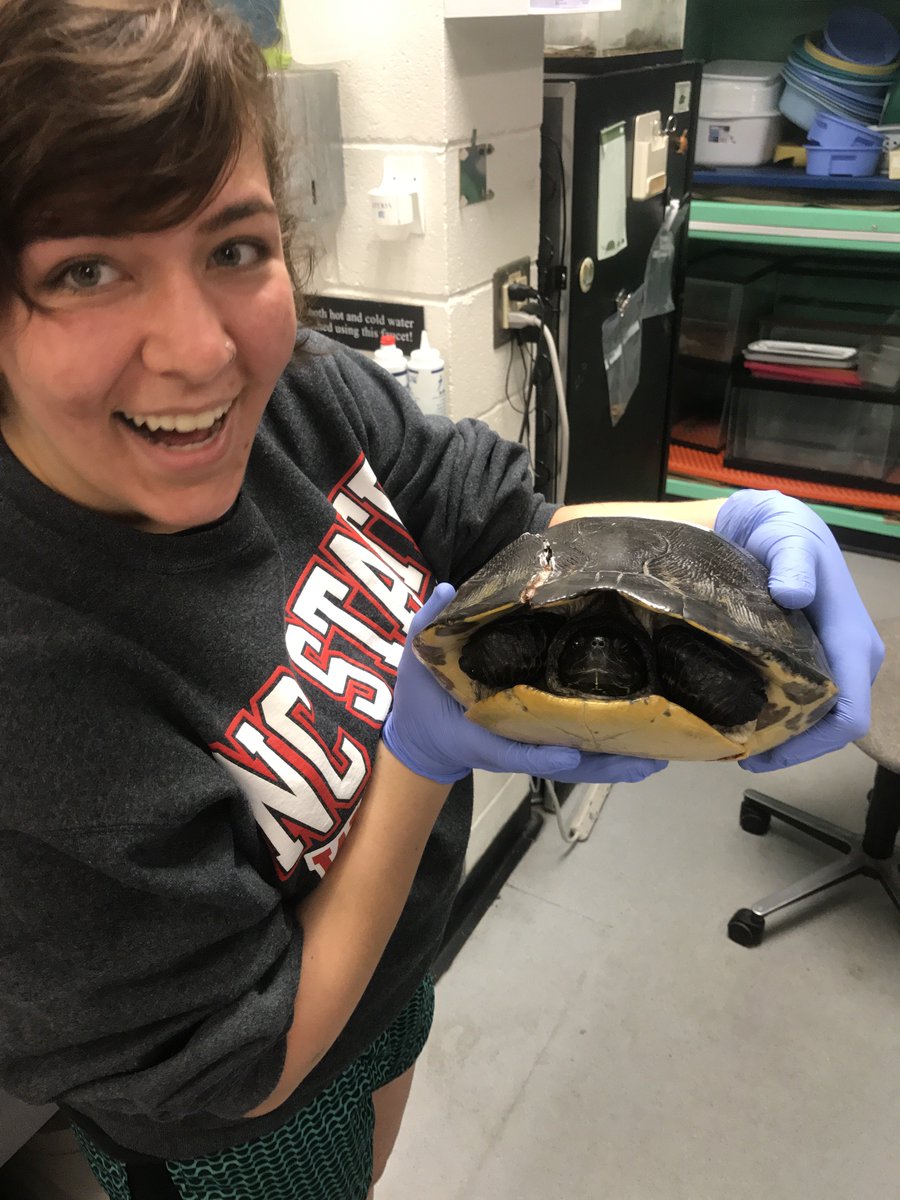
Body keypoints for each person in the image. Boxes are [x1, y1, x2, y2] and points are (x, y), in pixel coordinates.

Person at [0, 2, 883, 1198]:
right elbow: (236, 1066)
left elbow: (508, 524)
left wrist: (726, 545)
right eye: (87, 269)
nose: (201, 351)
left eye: (235, 246)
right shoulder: (33, 675)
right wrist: (416, 756)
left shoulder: (303, 396)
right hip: (249, 1121)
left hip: (388, 976)